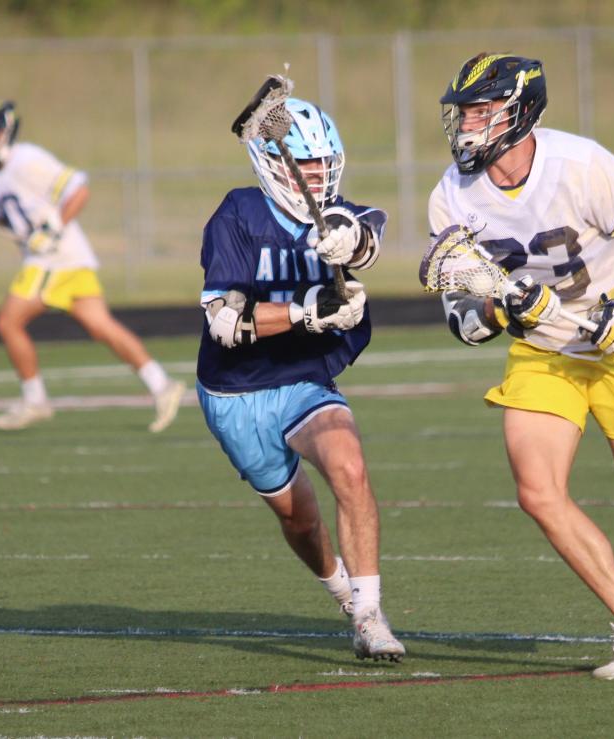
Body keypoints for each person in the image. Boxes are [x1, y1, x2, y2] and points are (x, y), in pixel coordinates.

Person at [428, 53, 614, 679]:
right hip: (544, 353)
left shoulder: (578, 164)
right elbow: (462, 321)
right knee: (538, 492)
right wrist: (505, 307)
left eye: (480, 110)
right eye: (462, 112)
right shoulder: (451, 195)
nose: (466, 124)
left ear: (519, 112)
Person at [196, 93, 404, 662]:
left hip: (302, 380)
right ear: (271, 162)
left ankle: (369, 615)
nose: (315, 175)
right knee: (301, 520)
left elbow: (367, 236)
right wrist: (306, 311)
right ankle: (340, 590)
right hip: (235, 392)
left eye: (322, 164)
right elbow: (225, 325)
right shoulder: (239, 214)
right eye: (303, 164)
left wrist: (352, 244)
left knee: (350, 467)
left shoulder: (337, 216)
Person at [0, 100, 186, 433]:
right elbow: (10, 221)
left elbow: (78, 189)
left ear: (7, 131)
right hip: (68, 257)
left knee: (8, 322)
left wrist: (53, 228)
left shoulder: (26, 159)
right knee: (101, 326)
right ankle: (162, 385)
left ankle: (35, 399)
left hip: (54, 259)